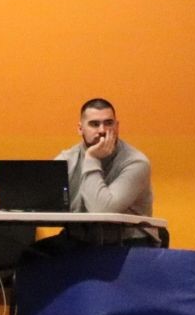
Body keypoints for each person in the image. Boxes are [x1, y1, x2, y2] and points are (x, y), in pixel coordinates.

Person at [55, 97, 158, 246]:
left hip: (128, 241)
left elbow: (101, 212)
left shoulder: (136, 162)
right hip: (81, 239)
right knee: (30, 254)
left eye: (108, 123)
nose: (102, 130)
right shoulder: (68, 159)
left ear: (117, 126)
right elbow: (45, 198)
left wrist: (92, 158)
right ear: (80, 129)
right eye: (94, 124)